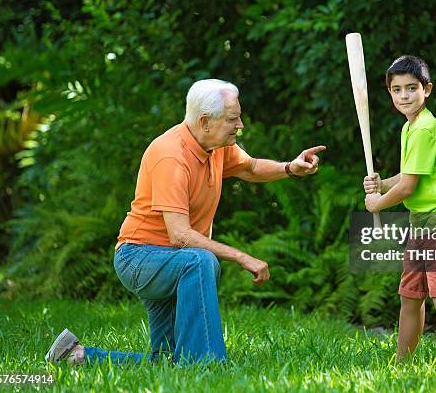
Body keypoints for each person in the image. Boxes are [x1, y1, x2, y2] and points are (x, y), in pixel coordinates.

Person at [45, 79, 326, 365]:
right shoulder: (171, 156)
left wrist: (290, 168)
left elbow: (251, 168)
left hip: (172, 260)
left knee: (166, 358)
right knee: (200, 261)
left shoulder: (216, 146)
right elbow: (180, 236)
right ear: (205, 121)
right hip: (139, 258)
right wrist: (242, 257)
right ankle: (209, 364)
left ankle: (76, 356)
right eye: (232, 118)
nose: (240, 124)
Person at [362, 55, 436, 366]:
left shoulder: (424, 129)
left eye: (411, 88)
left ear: (428, 89)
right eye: (397, 90)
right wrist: (382, 184)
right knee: (410, 295)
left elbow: (407, 188)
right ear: (390, 94)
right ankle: (402, 365)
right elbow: (409, 177)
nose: (404, 95)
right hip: (422, 222)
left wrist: (378, 203)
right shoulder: (410, 128)